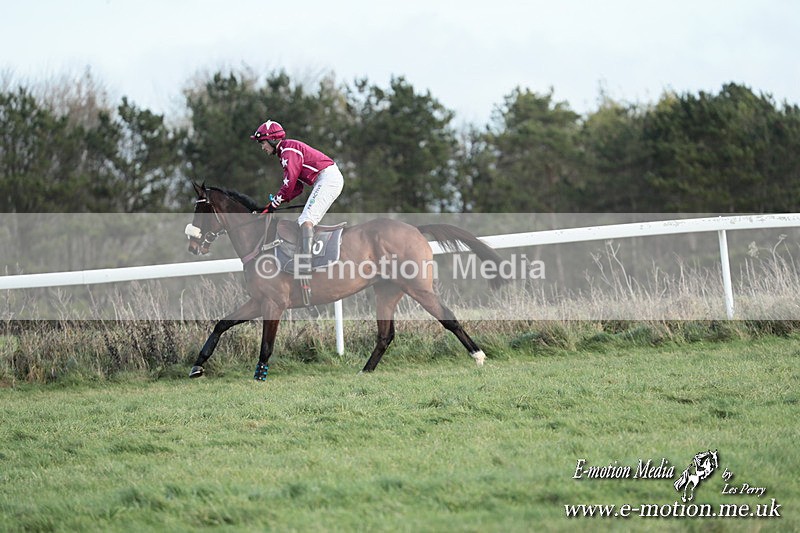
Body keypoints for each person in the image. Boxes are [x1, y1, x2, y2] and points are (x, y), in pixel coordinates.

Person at [250, 119, 344, 304]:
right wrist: (276, 203)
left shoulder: (288, 150)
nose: (262, 147)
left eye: (262, 143)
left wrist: (274, 203)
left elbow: (290, 181)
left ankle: (305, 266)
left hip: (327, 178)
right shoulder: (285, 151)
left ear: (272, 139)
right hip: (325, 178)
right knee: (305, 219)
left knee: (306, 220)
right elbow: (297, 188)